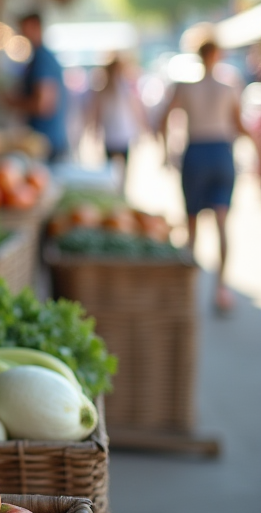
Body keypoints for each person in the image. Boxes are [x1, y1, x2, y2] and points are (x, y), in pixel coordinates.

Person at [158, 38, 252, 314]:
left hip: (196, 153)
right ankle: (221, 289)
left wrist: (166, 151)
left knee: (192, 226)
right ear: (218, 55)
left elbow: (163, 119)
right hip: (221, 153)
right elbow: (240, 125)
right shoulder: (228, 88)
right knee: (222, 223)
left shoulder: (185, 88)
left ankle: (189, 289)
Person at [6, 10, 68, 162]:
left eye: (23, 28)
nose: (20, 33)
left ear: (34, 26)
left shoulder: (42, 58)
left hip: (45, 142)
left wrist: (12, 102)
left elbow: (44, 105)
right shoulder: (41, 56)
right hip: (46, 139)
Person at [89, 56, 148, 190]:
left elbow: (136, 109)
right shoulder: (106, 90)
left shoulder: (124, 88)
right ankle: (116, 190)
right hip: (113, 134)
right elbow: (97, 111)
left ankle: (119, 190)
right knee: (112, 168)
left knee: (118, 168)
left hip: (122, 134)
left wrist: (141, 127)